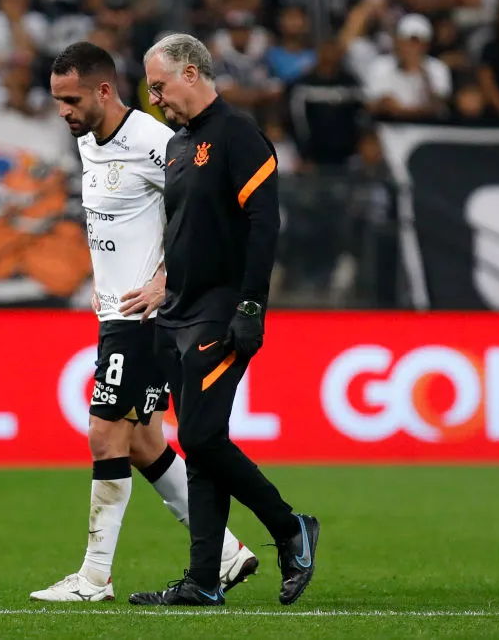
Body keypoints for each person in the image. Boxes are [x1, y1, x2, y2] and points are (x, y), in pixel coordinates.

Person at [29, 41, 258, 603]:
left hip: (145, 318)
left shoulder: (158, 142)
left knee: (105, 432)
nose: (64, 111)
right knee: (144, 441)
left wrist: (165, 280)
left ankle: (94, 577)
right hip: (114, 309)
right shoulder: (88, 142)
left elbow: (205, 213)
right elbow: (117, 219)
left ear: (104, 90)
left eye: (71, 99)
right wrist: (99, 284)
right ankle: (228, 553)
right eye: (58, 100)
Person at [129, 33, 319, 607]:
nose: (156, 98)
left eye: (159, 86)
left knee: (203, 438)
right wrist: (163, 286)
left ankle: (290, 529)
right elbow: (182, 230)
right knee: (202, 446)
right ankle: (204, 580)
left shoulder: (238, 134)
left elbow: (265, 225)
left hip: (221, 310)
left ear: (191, 72)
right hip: (178, 312)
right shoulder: (180, 145)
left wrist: (251, 305)